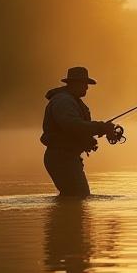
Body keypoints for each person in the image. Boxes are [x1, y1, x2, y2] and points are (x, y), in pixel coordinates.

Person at [40, 67, 118, 196]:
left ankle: (60, 215)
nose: (87, 87)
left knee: (73, 197)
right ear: (74, 83)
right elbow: (72, 125)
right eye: (84, 84)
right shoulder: (64, 101)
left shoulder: (70, 100)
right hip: (62, 158)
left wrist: (89, 138)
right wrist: (101, 127)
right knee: (79, 196)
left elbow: (74, 130)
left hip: (66, 156)